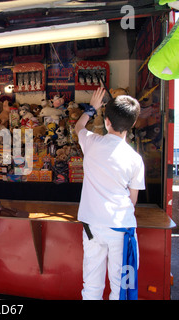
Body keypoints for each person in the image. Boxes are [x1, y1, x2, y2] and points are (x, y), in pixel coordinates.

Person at [74, 88, 145, 300]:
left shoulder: (91, 142)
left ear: (106, 121)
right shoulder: (134, 159)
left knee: (92, 284)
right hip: (120, 229)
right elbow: (132, 201)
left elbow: (78, 126)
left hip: (92, 227)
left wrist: (91, 108)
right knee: (119, 286)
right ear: (132, 124)